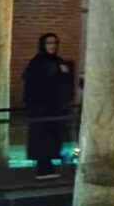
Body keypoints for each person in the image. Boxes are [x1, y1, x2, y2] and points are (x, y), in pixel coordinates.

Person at [21, 32, 75, 176]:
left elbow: (65, 84)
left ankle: (48, 167)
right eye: (49, 43)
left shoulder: (59, 62)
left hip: (55, 110)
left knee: (53, 139)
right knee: (42, 140)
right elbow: (32, 84)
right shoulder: (37, 63)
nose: (52, 46)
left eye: (55, 43)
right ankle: (43, 168)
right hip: (40, 110)